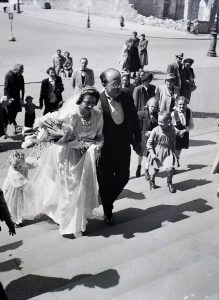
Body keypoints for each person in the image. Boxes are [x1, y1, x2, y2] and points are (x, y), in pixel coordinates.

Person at [27, 87, 104, 238]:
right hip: (68, 157)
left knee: (82, 190)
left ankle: (78, 222)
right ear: (80, 100)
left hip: (87, 158)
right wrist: (78, 144)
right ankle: (68, 224)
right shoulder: (71, 115)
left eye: (93, 103)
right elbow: (59, 140)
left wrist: (97, 146)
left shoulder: (98, 115)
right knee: (69, 191)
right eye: (87, 102)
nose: (90, 106)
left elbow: (100, 136)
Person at [97, 68, 142, 225]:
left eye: (120, 82)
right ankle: (108, 211)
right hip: (105, 150)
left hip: (124, 145)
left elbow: (135, 119)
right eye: (114, 83)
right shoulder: (97, 102)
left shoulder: (126, 96)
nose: (119, 86)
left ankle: (106, 200)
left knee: (123, 177)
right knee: (106, 181)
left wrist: (138, 140)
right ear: (104, 84)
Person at [2, 151, 37, 227]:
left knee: (20, 204)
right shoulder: (14, 173)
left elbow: (29, 165)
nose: (18, 168)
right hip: (14, 190)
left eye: (19, 166)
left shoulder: (23, 163)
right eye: (15, 167)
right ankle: (16, 221)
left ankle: (17, 217)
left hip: (20, 189)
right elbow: (23, 182)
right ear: (11, 165)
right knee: (14, 205)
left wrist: (37, 162)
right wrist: (34, 188)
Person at [147, 112, 179, 193]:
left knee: (170, 169)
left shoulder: (171, 130)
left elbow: (173, 142)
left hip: (168, 152)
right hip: (158, 152)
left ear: (168, 121)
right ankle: (152, 180)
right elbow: (149, 143)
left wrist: (173, 153)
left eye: (162, 122)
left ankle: (169, 182)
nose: (160, 123)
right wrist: (152, 153)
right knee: (155, 170)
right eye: (159, 121)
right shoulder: (155, 130)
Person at [136, 98, 158, 179]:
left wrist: (152, 133)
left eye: (155, 107)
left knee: (148, 155)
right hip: (143, 137)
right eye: (152, 106)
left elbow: (158, 127)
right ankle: (139, 166)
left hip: (151, 138)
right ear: (148, 106)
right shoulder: (141, 114)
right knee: (140, 154)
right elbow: (137, 126)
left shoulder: (157, 116)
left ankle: (146, 170)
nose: (153, 108)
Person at [171, 96, 194, 164]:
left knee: (180, 148)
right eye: (180, 104)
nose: (182, 106)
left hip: (184, 132)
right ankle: (173, 163)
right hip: (175, 132)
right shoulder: (173, 113)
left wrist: (185, 130)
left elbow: (191, 125)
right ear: (176, 104)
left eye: (184, 104)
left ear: (186, 104)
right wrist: (178, 132)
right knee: (175, 148)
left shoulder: (189, 112)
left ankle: (176, 158)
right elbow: (170, 125)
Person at [4, 64, 25, 134]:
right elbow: (6, 88)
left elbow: (23, 88)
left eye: (22, 71)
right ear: (17, 70)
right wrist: (8, 99)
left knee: (14, 114)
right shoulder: (9, 75)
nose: (22, 72)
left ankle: (15, 127)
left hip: (17, 98)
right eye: (21, 71)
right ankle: (5, 131)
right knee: (9, 115)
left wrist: (22, 98)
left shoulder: (21, 76)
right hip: (10, 98)